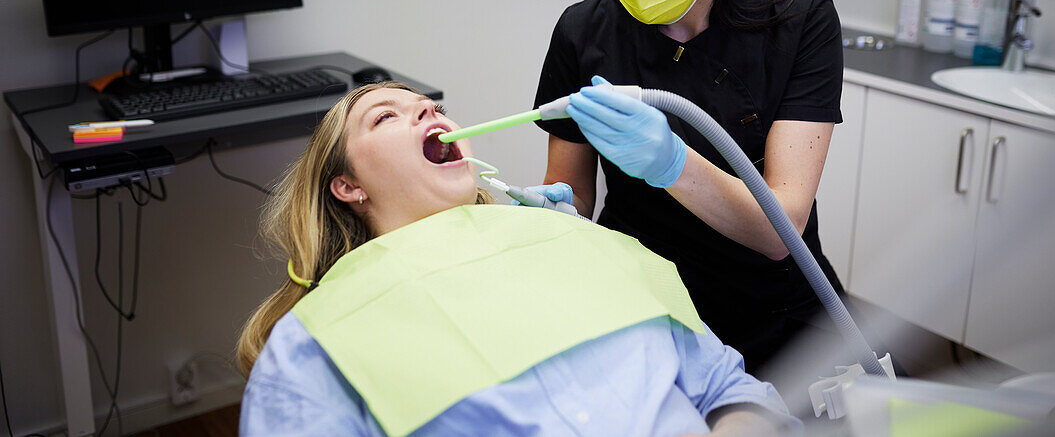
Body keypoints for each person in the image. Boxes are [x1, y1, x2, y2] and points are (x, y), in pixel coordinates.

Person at [237, 81, 798, 436]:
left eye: (430, 105)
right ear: (347, 186)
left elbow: (729, 390)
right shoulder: (319, 337)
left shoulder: (574, 242)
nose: (428, 110)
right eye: (385, 116)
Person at [534, 0, 851, 384]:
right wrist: (555, 221)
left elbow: (782, 231)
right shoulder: (584, 32)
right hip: (649, 309)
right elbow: (573, 201)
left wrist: (672, 163)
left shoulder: (801, 21)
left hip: (778, 315)